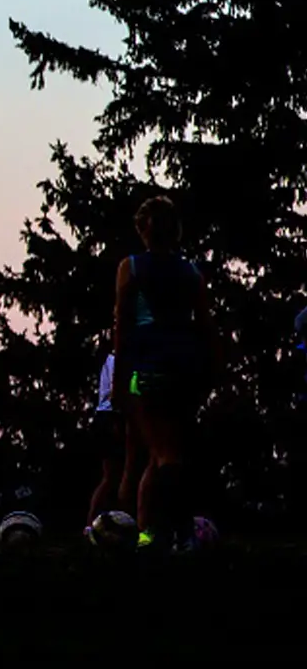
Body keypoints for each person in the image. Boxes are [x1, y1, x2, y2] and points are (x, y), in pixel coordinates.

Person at [115, 196, 218, 552]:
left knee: (161, 455)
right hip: (184, 368)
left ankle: (163, 533)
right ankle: (159, 531)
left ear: (144, 230)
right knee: (166, 452)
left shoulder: (131, 268)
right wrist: (210, 372)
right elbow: (205, 327)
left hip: (146, 369)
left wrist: (118, 382)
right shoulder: (190, 273)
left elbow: (122, 326)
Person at [84, 351, 142, 538]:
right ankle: (126, 523)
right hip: (114, 416)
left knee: (111, 476)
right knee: (124, 473)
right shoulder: (123, 358)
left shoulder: (111, 358)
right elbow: (120, 391)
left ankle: (95, 524)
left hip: (105, 416)